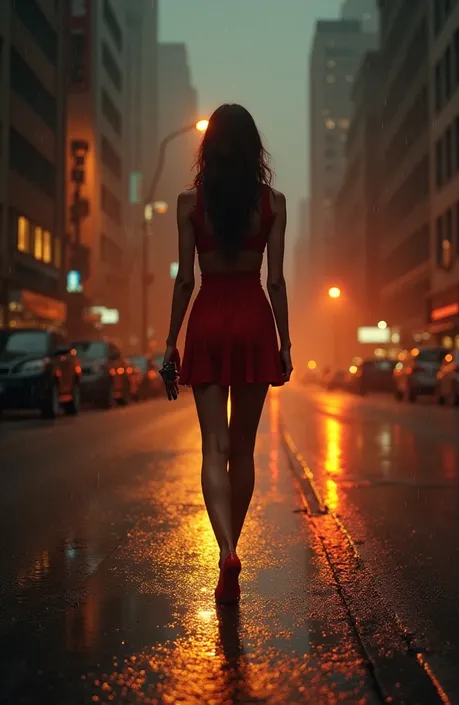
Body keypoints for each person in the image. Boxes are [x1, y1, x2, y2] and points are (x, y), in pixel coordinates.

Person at [162, 103, 292, 604]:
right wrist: (285, 342)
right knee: (243, 449)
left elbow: (183, 280)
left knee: (213, 447)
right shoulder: (273, 203)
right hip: (255, 320)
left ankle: (226, 549)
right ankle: (234, 550)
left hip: (210, 319)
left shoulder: (188, 203)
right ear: (253, 148)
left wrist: (170, 341)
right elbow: (276, 280)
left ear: (209, 148)